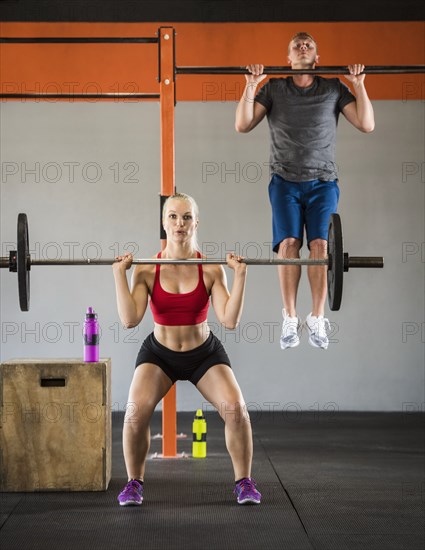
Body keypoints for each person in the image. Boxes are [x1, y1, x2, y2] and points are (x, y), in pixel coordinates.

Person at [112, 192, 261, 506]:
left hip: (203, 354)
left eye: (187, 217)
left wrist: (242, 275)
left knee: (236, 410)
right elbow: (129, 320)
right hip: (160, 354)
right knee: (135, 413)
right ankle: (133, 484)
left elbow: (230, 320)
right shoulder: (147, 269)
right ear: (163, 222)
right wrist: (118, 276)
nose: (180, 223)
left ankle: (244, 482)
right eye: (173, 216)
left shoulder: (209, 269)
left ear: (196, 223)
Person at [235, 32, 375, 350]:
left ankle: (316, 317)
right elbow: (242, 125)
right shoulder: (273, 89)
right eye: (296, 45)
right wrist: (250, 84)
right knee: (288, 244)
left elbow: (367, 124)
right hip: (284, 181)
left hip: (323, 182)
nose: (302, 47)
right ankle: (289, 316)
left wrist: (359, 84)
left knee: (320, 245)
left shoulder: (333, 89)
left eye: (308, 44)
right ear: (288, 58)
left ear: (316, 57)